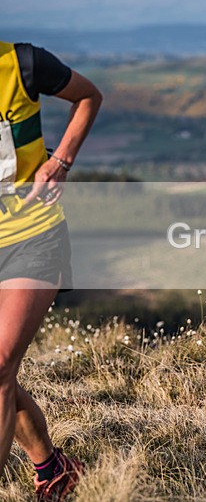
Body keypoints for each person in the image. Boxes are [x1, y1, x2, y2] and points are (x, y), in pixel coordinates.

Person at [0, 41, 102, 499]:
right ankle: (53, 468)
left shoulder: (20, 63)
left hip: (32, 233)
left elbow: (88, 96)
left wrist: (60, 161)